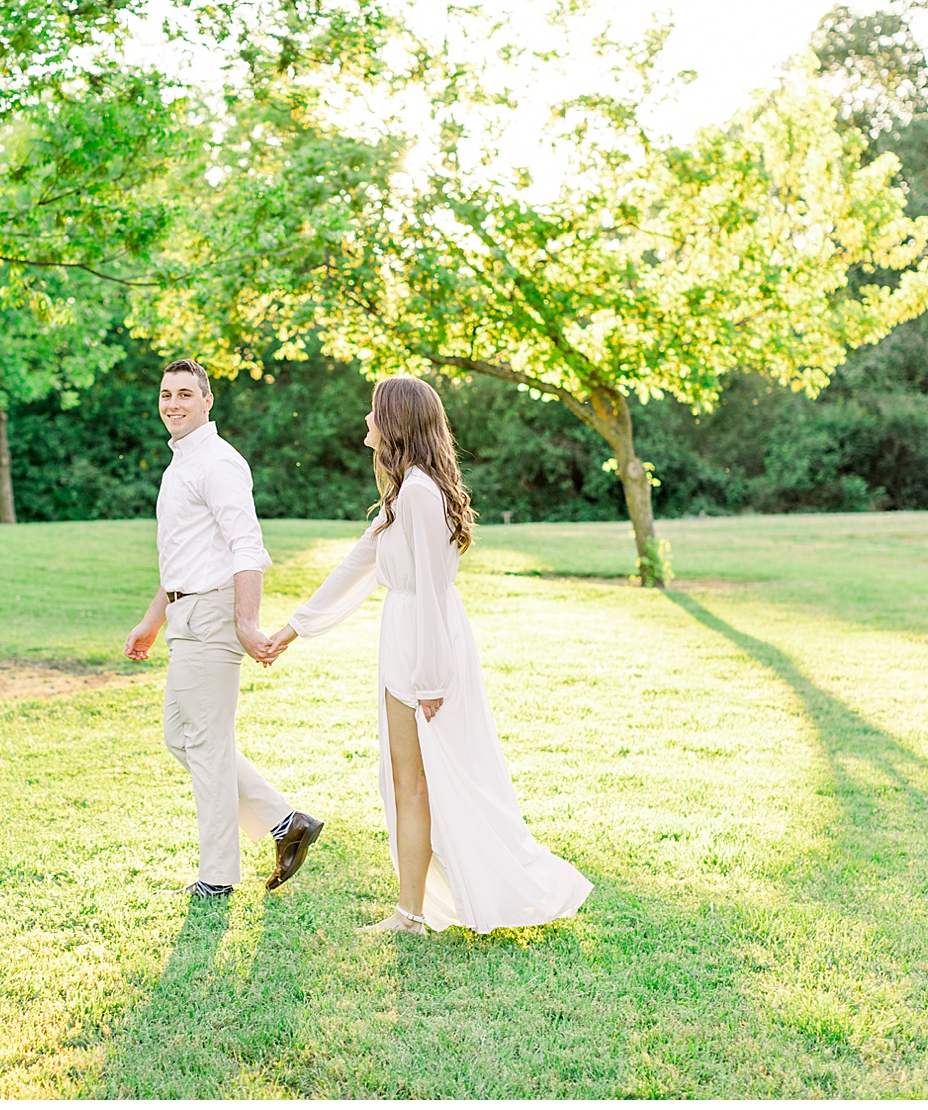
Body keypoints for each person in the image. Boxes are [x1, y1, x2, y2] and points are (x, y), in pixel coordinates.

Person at [265, 375, 592, 934]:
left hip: (425, 642)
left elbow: (434, 589)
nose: (365, 423)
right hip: (405, 635)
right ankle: (410, 911)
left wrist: (432, 676)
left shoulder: (418, 493)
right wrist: (293, 630)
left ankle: (432, 907)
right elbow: (355, 567)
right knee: (407, 779)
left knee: (434, 779)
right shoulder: (403, 493)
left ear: (394, 423)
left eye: (373, 414)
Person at [124, 358, 325, 898]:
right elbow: (183, 560)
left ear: (208, 401)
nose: (173, 404)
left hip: (212, 617)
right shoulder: (181, 464)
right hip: (184, 614)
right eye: (166, 394)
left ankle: (216, 878)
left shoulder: (217, 462)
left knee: (206, 745)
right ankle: (286, 823)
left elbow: (247, 547)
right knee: (180, 737)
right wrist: (152, 618)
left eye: (186, 394)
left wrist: (244, 622)